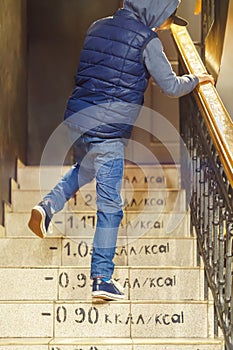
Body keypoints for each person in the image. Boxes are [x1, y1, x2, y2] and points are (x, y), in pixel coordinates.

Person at [28, 0, 214, 301]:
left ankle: (48, 205)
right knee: (111, 208)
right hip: (108, 132)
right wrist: (196, 79)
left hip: (77, 123)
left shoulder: (96, 27)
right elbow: (171, 86)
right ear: (155, 10)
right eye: (166, 19)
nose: (164, 25)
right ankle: (102, 278)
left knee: (84, 169)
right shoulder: (147, 40)